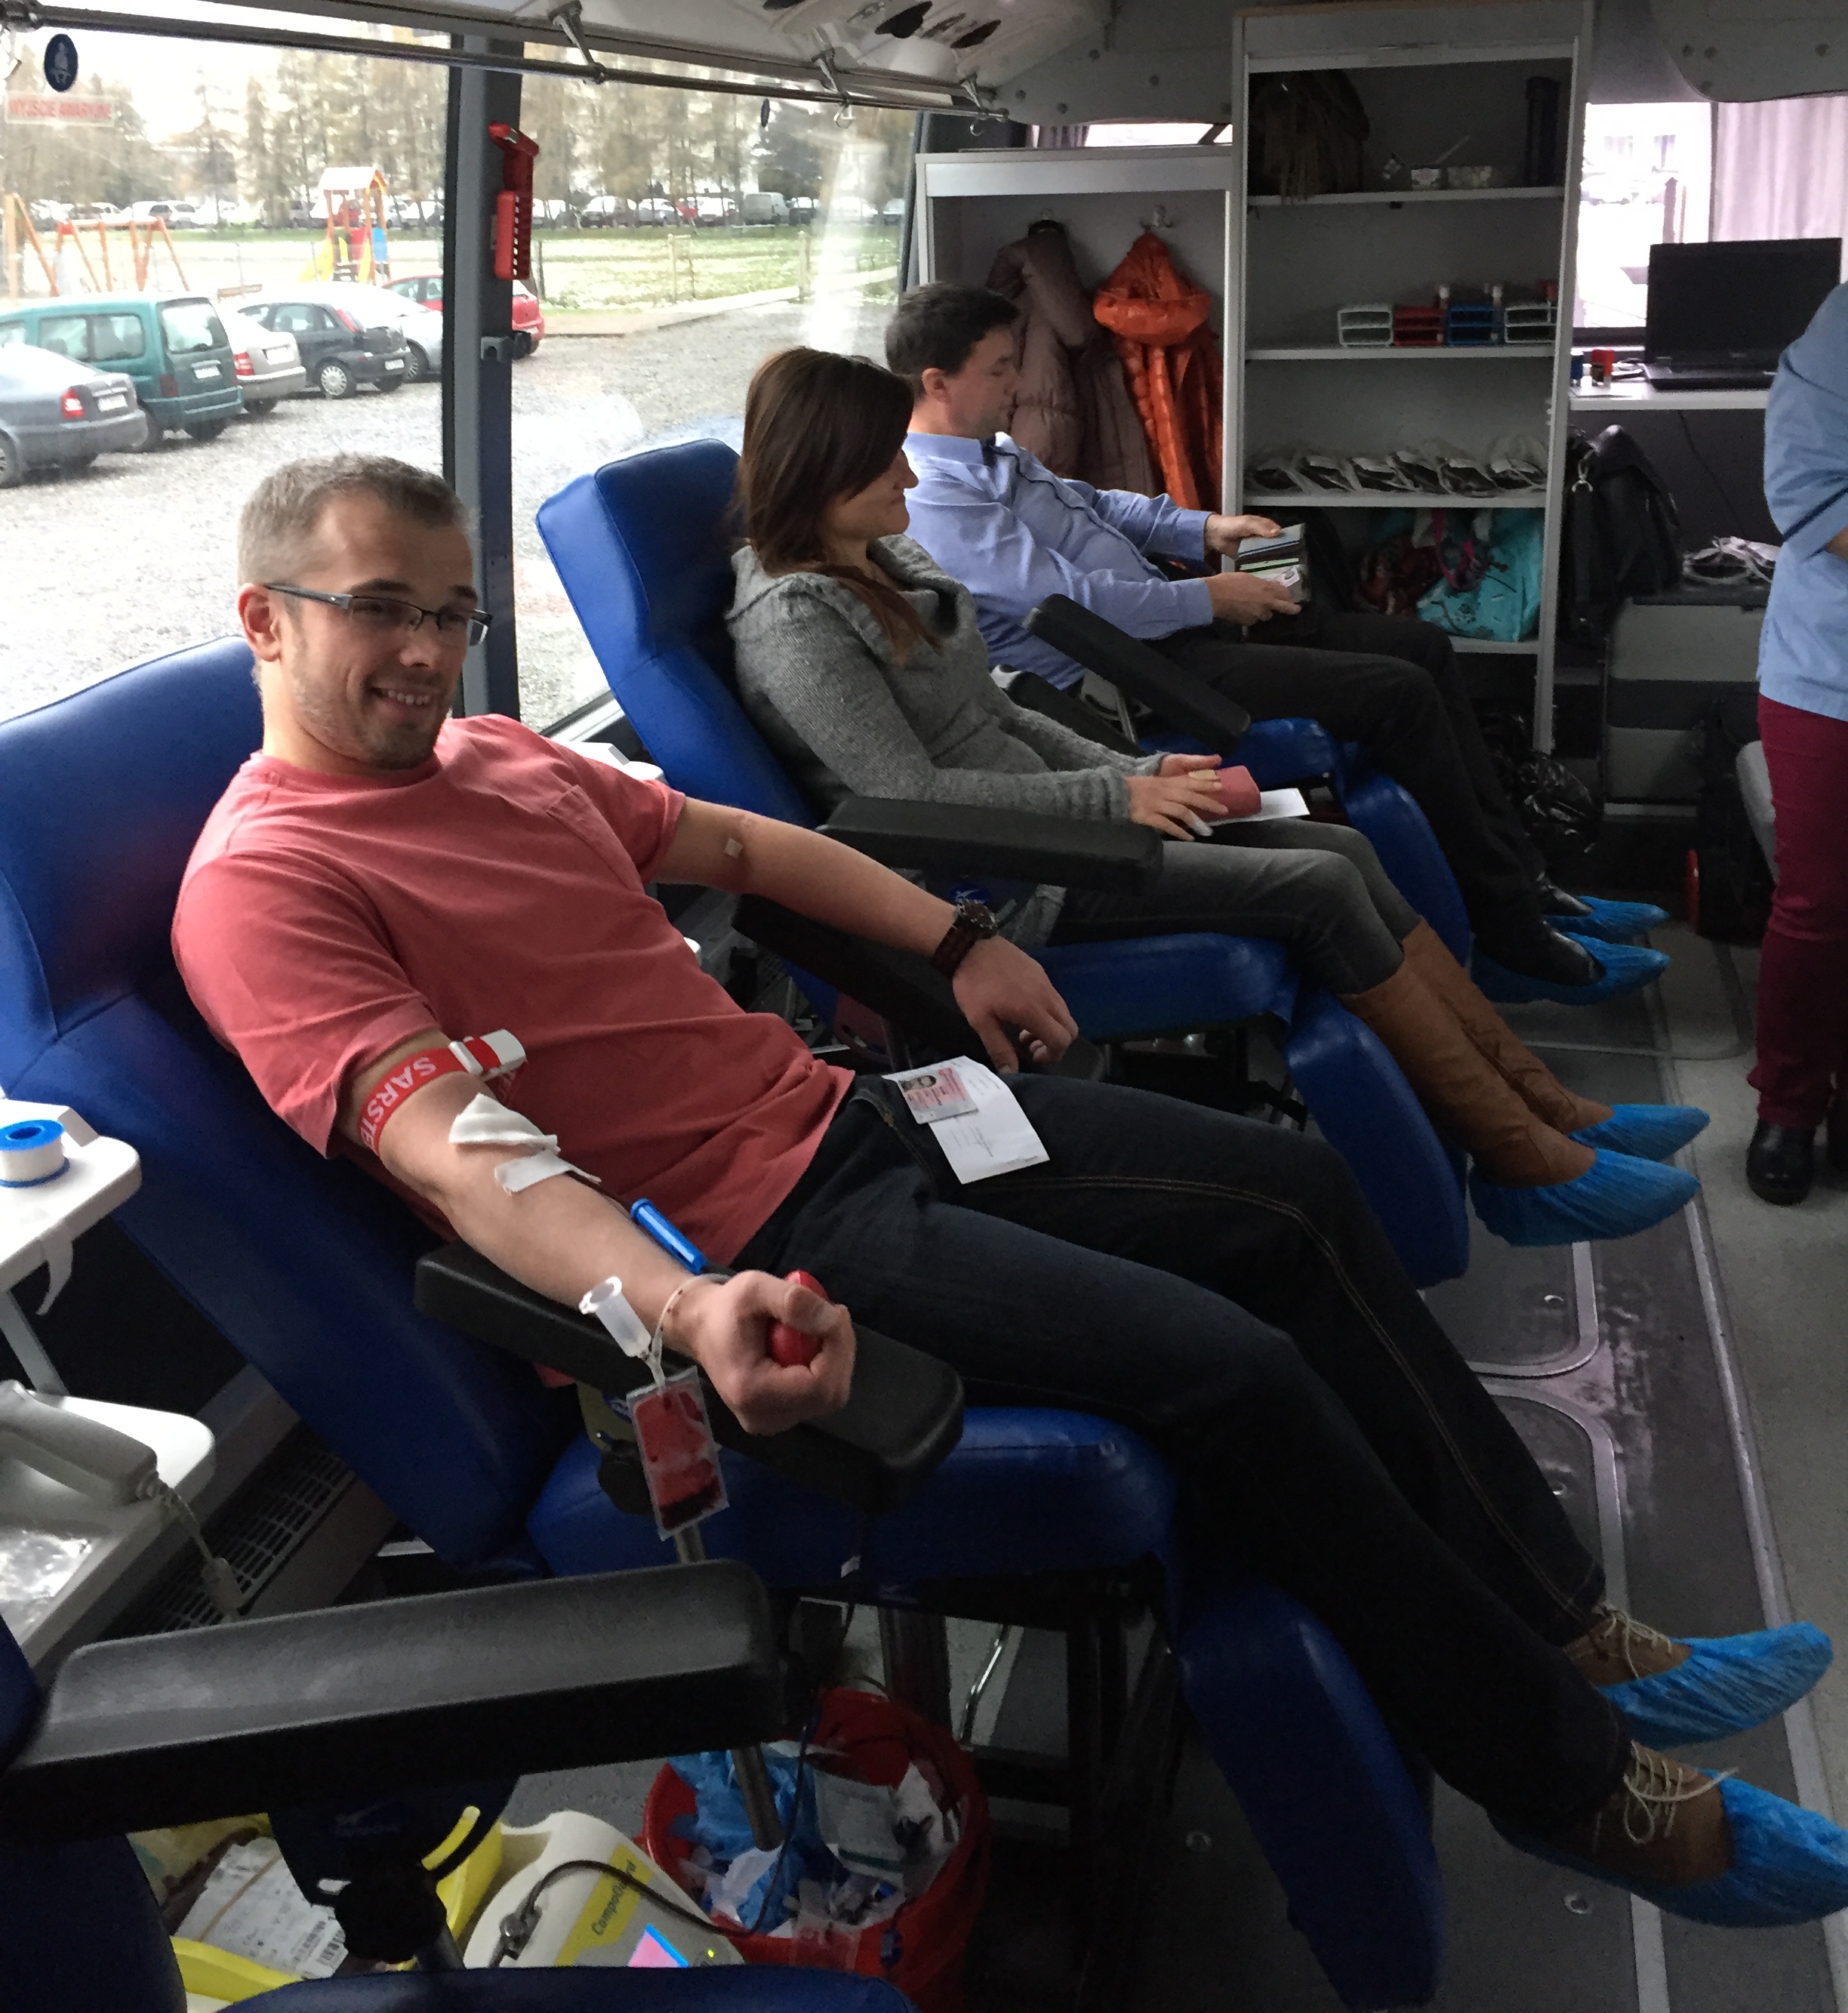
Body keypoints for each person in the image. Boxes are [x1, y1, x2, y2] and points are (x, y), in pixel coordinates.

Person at [170, 452, 1847, 1933]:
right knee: (1235, 1367)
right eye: (380, 609)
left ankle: (1562, 1619)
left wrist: (958, 938)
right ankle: (1578, 1788)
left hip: (858, 1115)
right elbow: (456, 1150)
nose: (426, 651)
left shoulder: (501, 759)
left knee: (1291, 1194)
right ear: (265, 618)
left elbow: (745, 850)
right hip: (766, 1240)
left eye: (450, 613)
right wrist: (684, 1303)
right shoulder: (269, 881)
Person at [725, 345, 1705, 1248]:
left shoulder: (888, 560)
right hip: (1002, 875)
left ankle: (1543, 1106)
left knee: (1343, 850)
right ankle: (1522, 1163)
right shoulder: (795, 619)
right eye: (885, 461)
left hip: (1062, 818)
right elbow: (911, 795)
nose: (909, 476)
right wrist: (1109, 805)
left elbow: (1000, 711)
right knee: (1318, 887)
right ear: (823, 469)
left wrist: (1133, 774)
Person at [888, 282, 1659, 998]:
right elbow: (1076, 606)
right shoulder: (937, 498)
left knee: (1420, 647)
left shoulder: (996, 453)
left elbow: (1098, 506)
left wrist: (1206, 529)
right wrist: (1207, 596)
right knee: (1399, 694)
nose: (1018, 383)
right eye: (1000, 369)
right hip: (1128, 680)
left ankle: (1522, 882)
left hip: (1172, 628)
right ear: (937, 383)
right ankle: (1509, 934)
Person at [1747, 282, 1848, 1202]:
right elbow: (1812, 496)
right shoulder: (1843, 331)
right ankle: (1789, 1103)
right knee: (1819, 903)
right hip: (1832, 671)